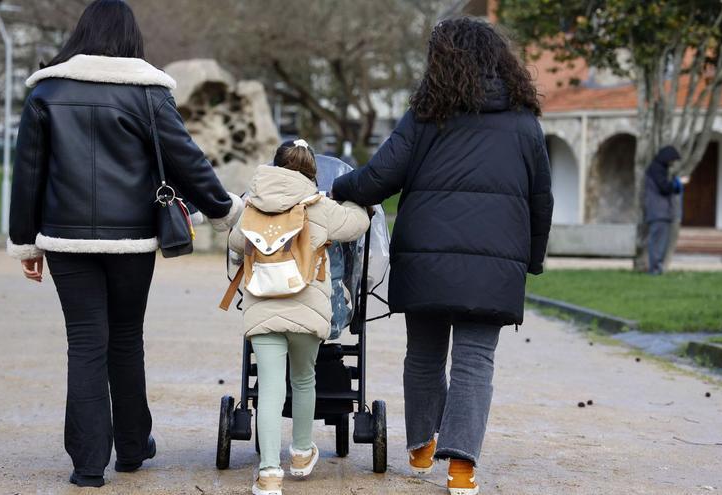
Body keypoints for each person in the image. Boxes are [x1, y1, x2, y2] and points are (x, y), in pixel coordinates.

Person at [5, 0, 242, 488]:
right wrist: (224, 210)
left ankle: (88, 464)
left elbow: (27, 173)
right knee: (127, 338)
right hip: (132, 239)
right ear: (131, 38)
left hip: (65, 241)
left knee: (85, 343)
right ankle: (133, 447)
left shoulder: (46, 90)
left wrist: (26, 244)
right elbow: (186, 160)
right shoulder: (148, 92)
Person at [331, 18, 553, 495]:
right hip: (495, 266)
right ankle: (462, 471)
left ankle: (421, 448)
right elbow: (541, 200)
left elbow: (379, 178)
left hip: (426, 261)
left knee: (425, 355)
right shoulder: (524, 122)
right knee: (476, 360)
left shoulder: (427, 115)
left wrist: (338, 185)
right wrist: (529, 261)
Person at [228, 140, 369, 495]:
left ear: (275, 166)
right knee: (304, 379)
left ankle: (269, 472)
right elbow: (357, 224)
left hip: (262, 306)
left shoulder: (253, 204)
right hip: (307, 310)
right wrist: (355, 197)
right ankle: (302, 453)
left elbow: (233, 241)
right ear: (311, 172)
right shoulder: (319, 206)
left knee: (271, 389)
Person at [644, 145, 687, 275]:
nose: (672, 163)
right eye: (672, 160)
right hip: (659, 212)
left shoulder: (657, 169)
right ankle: (655, 269)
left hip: (660, 212)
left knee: (659, 242)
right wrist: (679, 183)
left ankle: (657, 268)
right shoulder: (656, 170)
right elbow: (665, 188)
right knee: (658, 242)